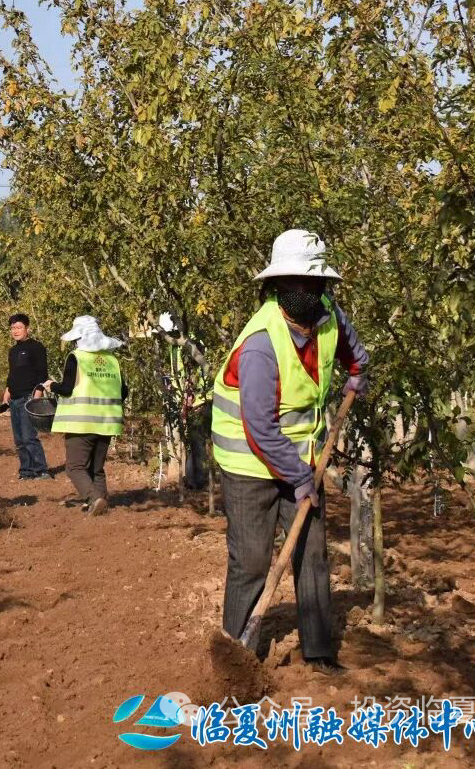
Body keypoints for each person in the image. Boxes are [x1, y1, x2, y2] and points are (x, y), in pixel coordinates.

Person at [210, 229, 368, 674]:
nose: (309, 292)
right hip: (248, 465)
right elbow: (259, 427)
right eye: (298, 283)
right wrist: (299, 478)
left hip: (302, 462)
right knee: (252, 560)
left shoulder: (329, 316)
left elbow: (356, 355)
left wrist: (357, 374)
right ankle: (236, 656)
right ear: (278, 286)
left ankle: (318, 651)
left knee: (311, 551)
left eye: (316, 284)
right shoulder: (261, 343)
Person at [44, 316, 128, 514]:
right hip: (107, 421)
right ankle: (101, 502)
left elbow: (66, 388)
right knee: (96, 468)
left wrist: (51, 385)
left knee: (74, 467)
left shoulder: (77, 357)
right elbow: (123, 392)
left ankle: (94, 498)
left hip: (81, 422)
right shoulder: (112, 360)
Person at [158, 312, 211, 491]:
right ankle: (192, 478)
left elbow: (197, 370)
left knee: (197, 442)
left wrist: (190, 394)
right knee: (191, 442)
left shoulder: (190, 343)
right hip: (185, 400)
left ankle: (199, 481)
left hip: (199, 400)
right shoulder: (174, 345)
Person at [0, 313, 50, 480]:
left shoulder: (37, 347)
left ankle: (42, 470)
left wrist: (37, 394)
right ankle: (26, 471)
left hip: (29, 397)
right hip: (14, 398)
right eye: (13, 328)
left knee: (29, 437)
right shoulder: (13, 351)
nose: (16, 331)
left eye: (19, 327)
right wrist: (7, 393)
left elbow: (42, 373)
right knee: (19, 439)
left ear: (28, 328)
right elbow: (12, 374)